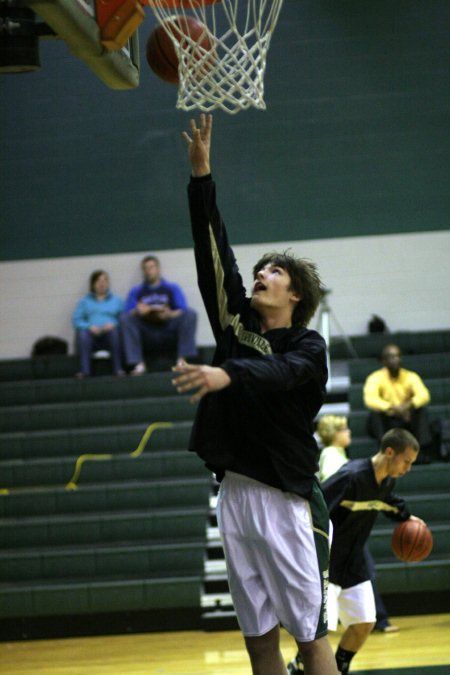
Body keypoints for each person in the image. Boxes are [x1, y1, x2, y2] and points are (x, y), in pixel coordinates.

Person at [171, 114, 338, 675]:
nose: (262, 273)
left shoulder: (308, 345)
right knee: (258, 641)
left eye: (274, 271)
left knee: (310, 639)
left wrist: (228, 377)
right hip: (236, 493)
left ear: (295, 295)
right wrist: (201, 177)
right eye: (262, 267)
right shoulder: (236, 324)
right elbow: (212, 254)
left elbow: (282, 374)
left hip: (286, 500)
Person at [288, 428, 425, 674]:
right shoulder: (350, 476)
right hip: (327, 562)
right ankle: (299, 666)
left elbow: (388, 501)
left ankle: (340, 668)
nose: (408, 468)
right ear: (390, 452)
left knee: (364, 622)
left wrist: (409, 517)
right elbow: (317, 505)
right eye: (407, 461)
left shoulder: (386, 482)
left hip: (354, 562)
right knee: (321, 632)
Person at [316, 415, 398, 635]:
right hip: (340, 534)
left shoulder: (338, 454)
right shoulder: (332, 456)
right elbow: (331, 489)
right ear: (333, 433)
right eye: (344, 428)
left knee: (365, 573)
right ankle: (379, 620)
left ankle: (376, 620)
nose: (349, 432)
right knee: (364, 573)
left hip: (350, 532)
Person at [120, 254, 197, 375]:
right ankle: (138, 364)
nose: (149, 270)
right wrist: (138, 311)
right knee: (125, 318)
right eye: (146, 268)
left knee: (190, 314)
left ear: (158, 269)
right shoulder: (136, 290)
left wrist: (169, 314)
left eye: (152, 267)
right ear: (143, 271)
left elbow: (182, 309)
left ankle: (182, 361)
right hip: (147, 330)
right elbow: (127, 312)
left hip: (167, 327)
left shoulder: (171, 287)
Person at [363, 344, 433, 452]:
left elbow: (424, 395)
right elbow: (370, 399)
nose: (396, 359)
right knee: (375, 414)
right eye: (391, 357)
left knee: (421, 411)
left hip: (407, 416)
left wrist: (408, 405)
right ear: (384, 360)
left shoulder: (410, 376)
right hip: (388, 417)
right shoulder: (375, 377)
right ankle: (384, 450)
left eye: (398, 356)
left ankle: (423, 452)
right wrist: (392, 408)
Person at [72, 269, 124, 377]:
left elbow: (124, 318)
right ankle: (85, 371)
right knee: (82, 335)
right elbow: (76, 319)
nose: (102, 283)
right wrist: (89, 327)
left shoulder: (116, 300)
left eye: (105, 280)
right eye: (99, 281)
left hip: (109, 334)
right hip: (92, 335)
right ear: (93, 284)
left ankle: (118, 369)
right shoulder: (84, 301)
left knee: (115, 334)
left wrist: (114, 325)